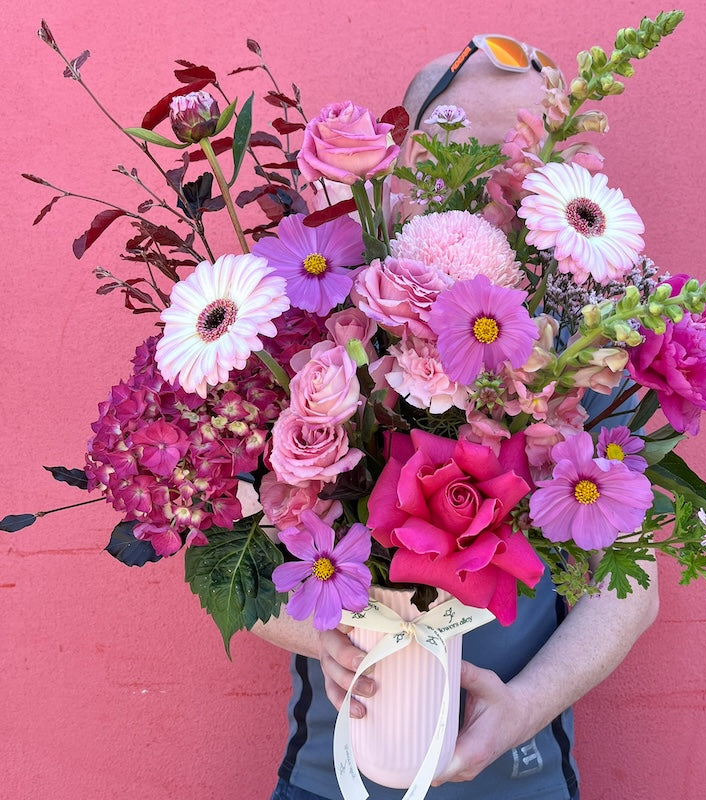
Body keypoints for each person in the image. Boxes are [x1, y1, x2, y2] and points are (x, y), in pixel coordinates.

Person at [253, 42, 660, 800]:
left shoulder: (584, 356)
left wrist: (523, 711)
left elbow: (631, 588)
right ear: (401, 165)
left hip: (523, 779)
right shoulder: (313, 333)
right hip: (328, 779)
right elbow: (232, 549)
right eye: (456, 158)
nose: (484, 193)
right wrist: (325, 639)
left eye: (515, 169)